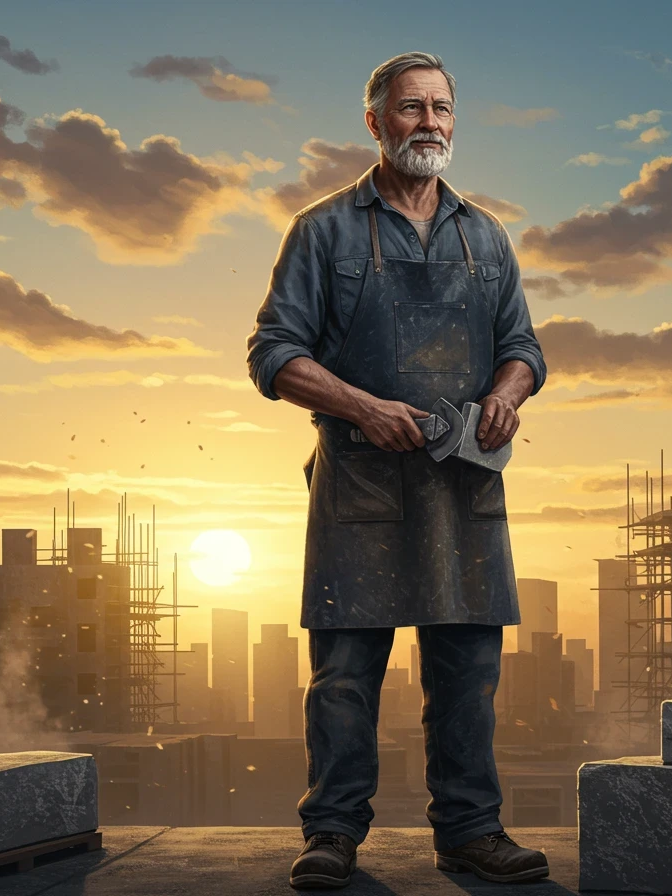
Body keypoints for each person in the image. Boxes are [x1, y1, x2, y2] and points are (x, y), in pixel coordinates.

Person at [246, 51, 548, 889]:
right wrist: (364, 408)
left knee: (468, 673)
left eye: (442, 108)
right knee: (344, 675)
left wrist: (506, 392)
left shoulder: (485, 234)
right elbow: (273, 354)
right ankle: (333, 834)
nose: (430, 123)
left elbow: (524, 347)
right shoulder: (323, 230)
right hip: (361, 485)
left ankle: (471, 833)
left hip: (465, 483)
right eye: (411, 108)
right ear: (375, 122)